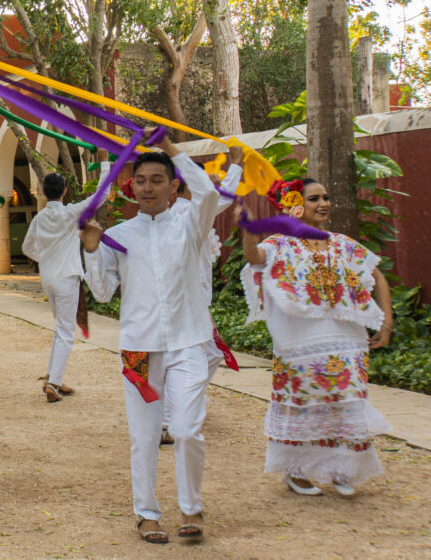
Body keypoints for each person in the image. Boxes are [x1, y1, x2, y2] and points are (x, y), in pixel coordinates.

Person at [81, 133, 218, 544]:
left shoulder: (192, 222)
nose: (147, 188)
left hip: (189, 341)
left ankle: (190, 506)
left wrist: (174, 149)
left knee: (187, 428)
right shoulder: (120, 234)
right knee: (143, 435)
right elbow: (103, 292)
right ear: (132, 185)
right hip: (139, 346)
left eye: (157, 180)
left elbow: (209, 192)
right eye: (141, 180)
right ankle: (146, 514)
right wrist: (90, 250)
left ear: (174, 185)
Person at [240, 178, 392, 496]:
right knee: (302, 405)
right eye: (313, 199)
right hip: (299, 344)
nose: (323, 203)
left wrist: (386, 323)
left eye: (325, 197)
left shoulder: (340, 242)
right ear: (295, 204)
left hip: (347, 342)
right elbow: (255, 258)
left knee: (345, 405)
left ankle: (343, 468)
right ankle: (296, 471)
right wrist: (248, 231)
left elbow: (376, 275)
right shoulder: (280, 244)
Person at [158, 146, 245, 445]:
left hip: (190, 301)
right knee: (187, 357)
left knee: (208, 355)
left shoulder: (185, 210)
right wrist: (236, 166)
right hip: (181, 301)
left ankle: (177, 409)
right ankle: (169, 419)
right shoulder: (183, 211)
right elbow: (219, 197)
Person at [21, 157, 103, 403]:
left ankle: (53, 378)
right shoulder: (70, 213)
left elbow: (27, 248)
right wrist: (107, 164)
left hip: (49, 279)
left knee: (61, 330)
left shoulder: (39, 219)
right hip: (66, 277)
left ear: (44, 192)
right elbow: (102, 194)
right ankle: (54, 384)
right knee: (66, 332)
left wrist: (44, 257)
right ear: (64, 191)